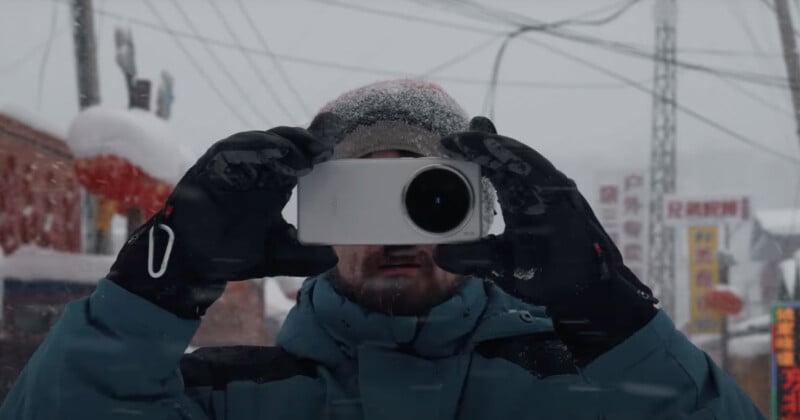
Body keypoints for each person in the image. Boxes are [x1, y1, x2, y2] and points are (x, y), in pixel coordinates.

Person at [0, 80, 763, 419]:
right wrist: (153, 288)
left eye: (430, 201)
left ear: (482, 214)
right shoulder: (218, 397)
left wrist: (613, 317)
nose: (398, 233)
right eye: (361, 201)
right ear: (313, 215)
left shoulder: (591, 393)